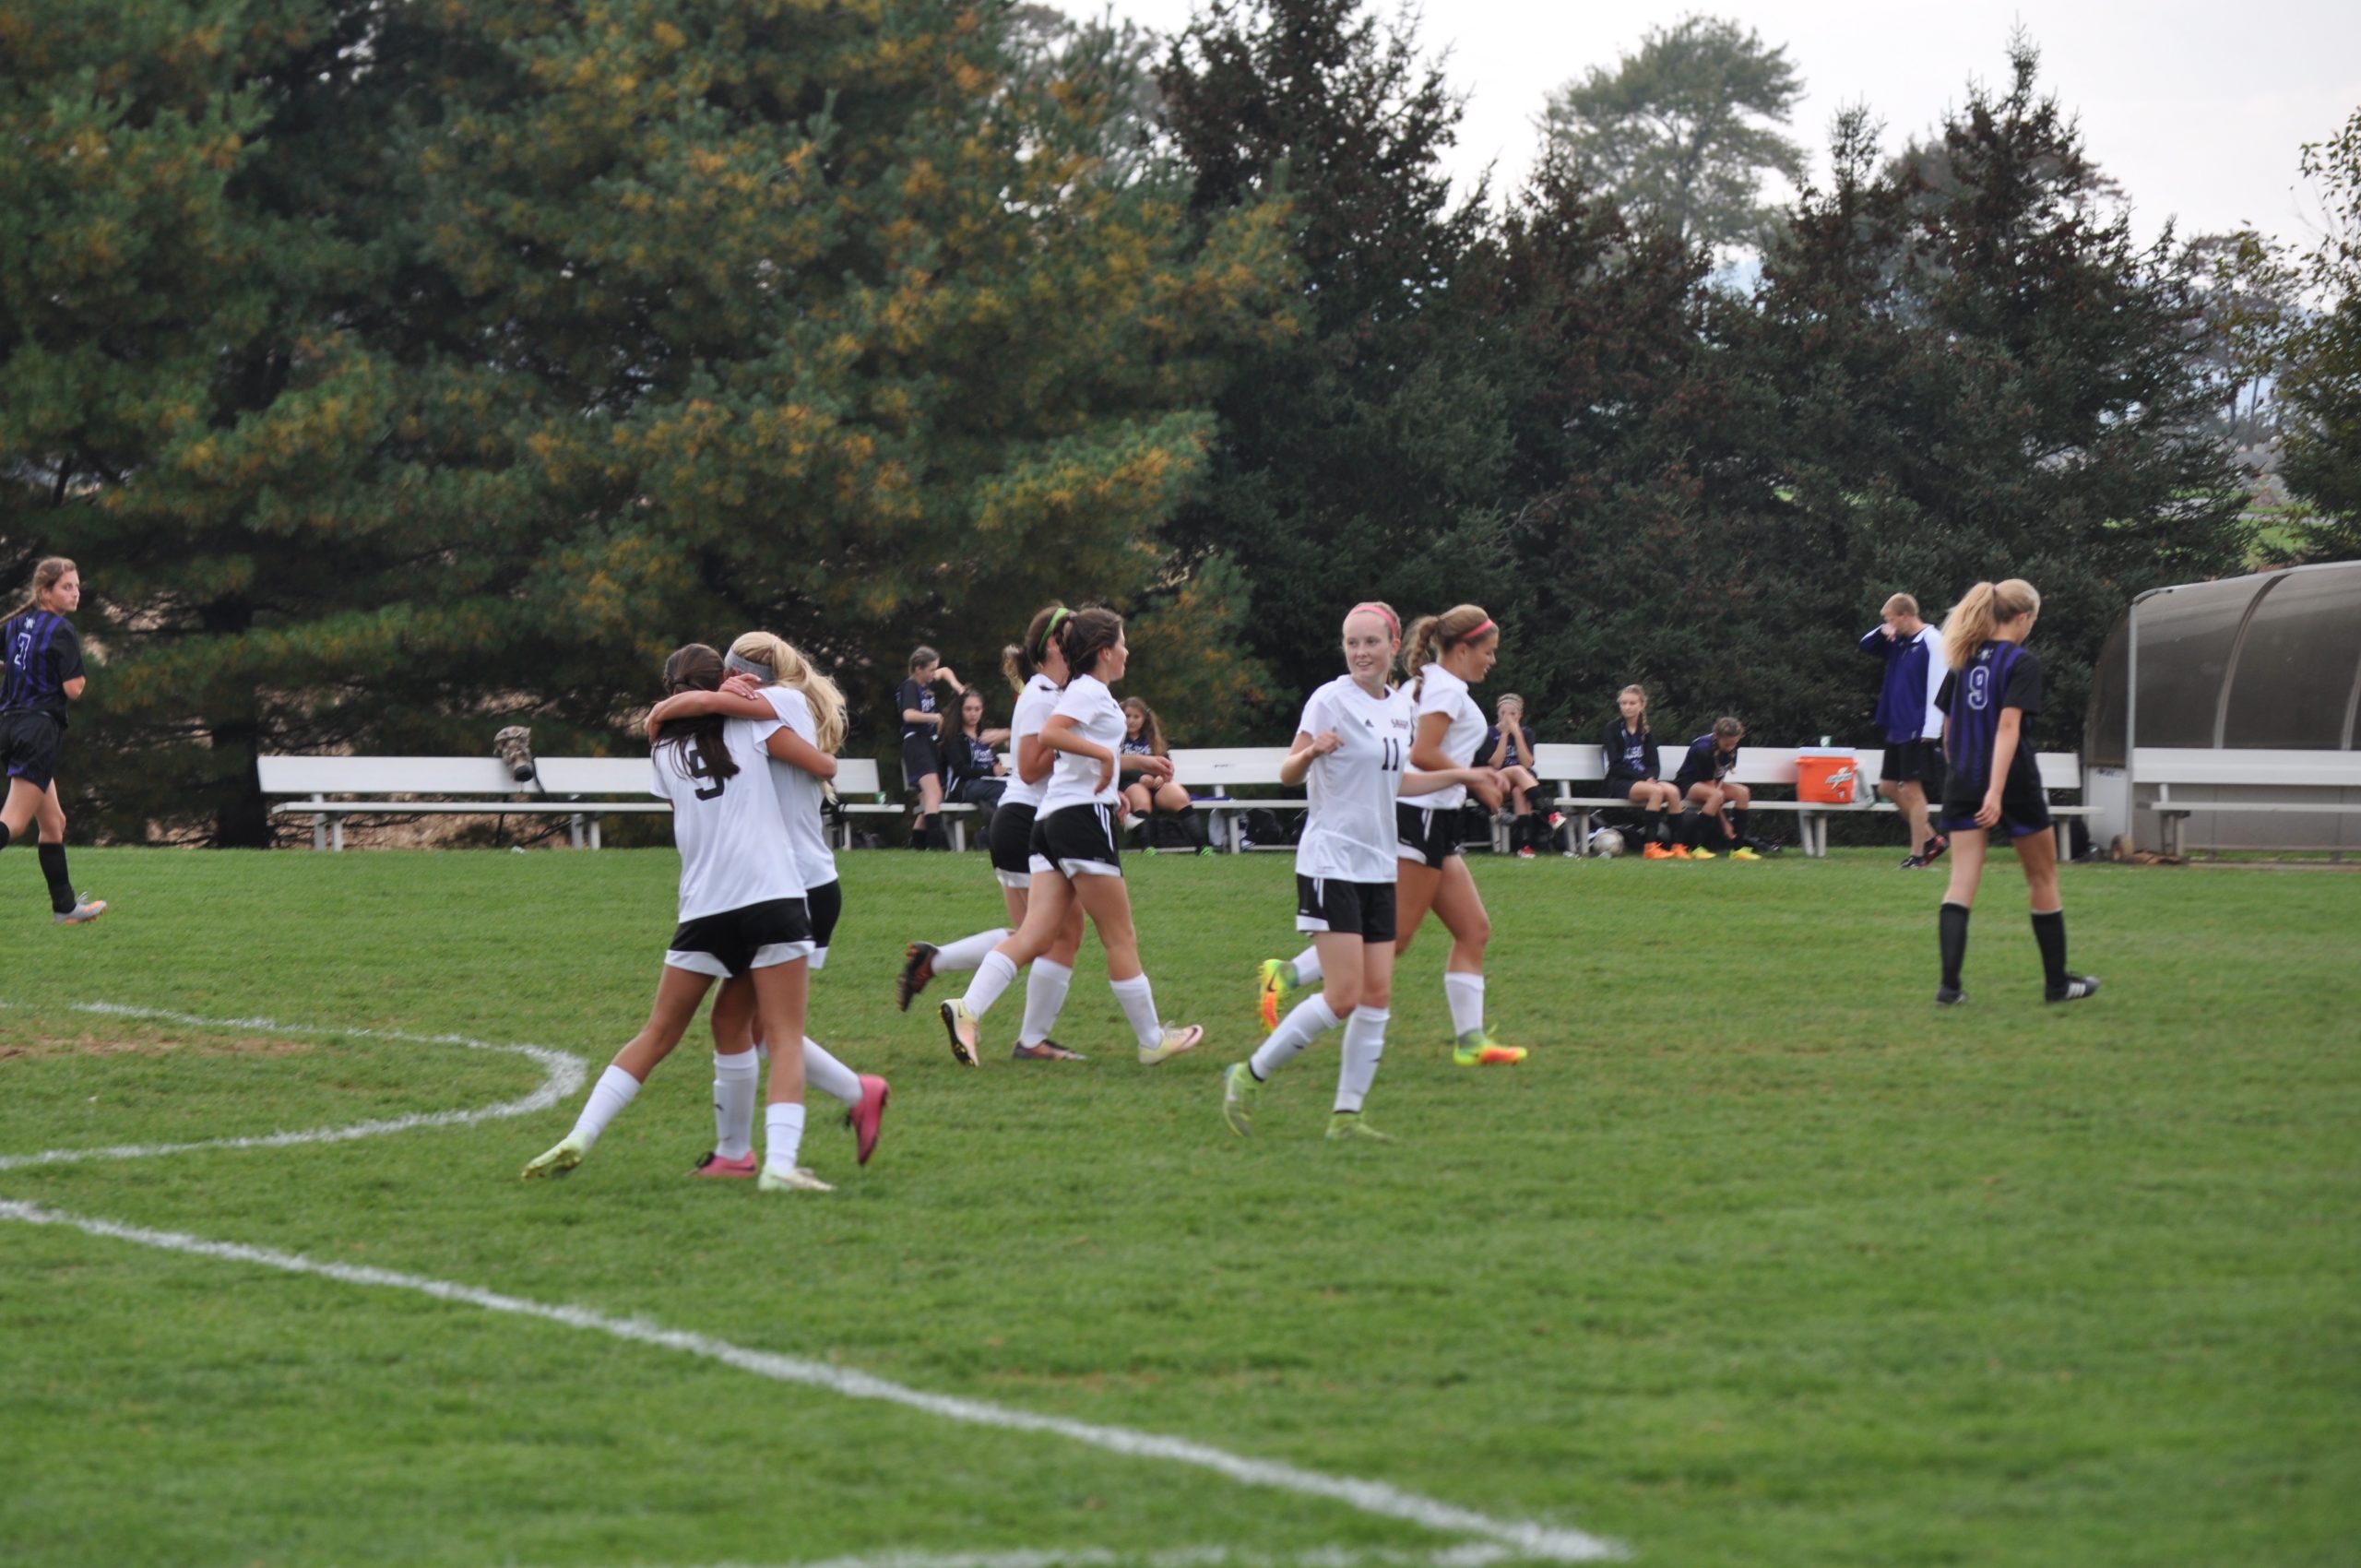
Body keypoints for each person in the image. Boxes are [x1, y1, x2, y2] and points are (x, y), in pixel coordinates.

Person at [523, 645, 829, 1194]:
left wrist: (672, 710)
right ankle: (780, 1166)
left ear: (671, 688)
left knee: (658, 1033)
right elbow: (810, 757)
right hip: (770, 896)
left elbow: (680, 799)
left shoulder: (661, 748)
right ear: (726, 681)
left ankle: (581, 1133)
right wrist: (734, 698)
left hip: (703, 908)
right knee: (784, 1038)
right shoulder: (755, 724)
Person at [1223, 603, 1500, 1141]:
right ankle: (1248, 1073)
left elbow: (1398, 783)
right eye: (1352, 642)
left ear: (1394, 646)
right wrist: (1310, 755)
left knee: (1376, 997)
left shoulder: (1400, 706)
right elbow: (1285, 772)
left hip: (1377, 862)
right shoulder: (1329, 700)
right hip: (1331, 859)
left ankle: (1347, 1117)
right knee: (1345, 995)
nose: (1360, 652)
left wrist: (1467, 775)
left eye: (1371, 642)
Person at [646, 632, 890, 1167]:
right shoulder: (769, 706)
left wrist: (666, 709)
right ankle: (840, 1102)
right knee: (745, 1027)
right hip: (788, 882)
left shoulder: (770, 703)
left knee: (762, 1030)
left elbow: (706, 702)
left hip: (791, 885)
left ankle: (758, 1151)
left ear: (743, 676)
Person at [937, 608, 1203, 1068]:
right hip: (1080, 821)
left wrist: (1126, 766)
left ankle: (968, 1008)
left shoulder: (1078, 691)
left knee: (1038, 934)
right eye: (1121, 643)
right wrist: (1105, 756)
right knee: (1120, 936)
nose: (1127, 651)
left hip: (1051, 822)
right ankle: (1151, 1039)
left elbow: (1072, 745)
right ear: (1104, 652)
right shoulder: (1089, 691)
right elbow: (1054, 735)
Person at [898, 605, 1090, 1062]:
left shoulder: (1047, 692)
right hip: (1026, 822)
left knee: (1034, 933)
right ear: (1053, 646)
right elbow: (1034, 766)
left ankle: (934, 961)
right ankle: (1022, 1035)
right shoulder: (1046, 697)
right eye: (1073, 636)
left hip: (1017, 820)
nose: (1081, 645)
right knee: (1054, 935)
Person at [1932, 579, 2098, 1007]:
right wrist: (1996, 791)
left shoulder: (1962, 657)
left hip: (1963, 781)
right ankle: (2057, 984)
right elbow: (2008, 727)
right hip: (2013, 784)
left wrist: (1965, 777)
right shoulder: (2021, 662)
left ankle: (1949, 989)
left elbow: (1949, 730)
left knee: (1962, 881)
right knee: (2042, 877)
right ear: (2023, 617)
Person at [0, 558, 104, 924]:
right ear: (45, 592)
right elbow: (73, 689)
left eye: (77, 586)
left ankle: (65, 907)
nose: (76, 593)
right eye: (67, 587)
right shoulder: (61, 630)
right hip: (38, 732)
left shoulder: (14, 625)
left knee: (54, 822)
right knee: (12, 823)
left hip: (11, 726)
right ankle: (64, 908)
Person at [1860, 592, 1949, 868]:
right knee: (1888, 786)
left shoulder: (1932, 641)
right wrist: (1882, 630)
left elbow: (1939, 685)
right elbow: (1866, 644)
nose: (1889, 624)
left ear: (1906, 615)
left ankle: (1917, 854)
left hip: (1917, 726)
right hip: (1896, 725)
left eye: (1891, 619)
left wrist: (1931, 729)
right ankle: (1932, 839)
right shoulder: (1897, 640)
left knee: (1913, 790)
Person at [1119, 697, 1212, 854]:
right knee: (1141, 799)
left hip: (1156, 782)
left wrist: (1162, 777)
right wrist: (1140, 778)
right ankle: (1147, 847)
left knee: (1180, 797)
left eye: (1136, 717)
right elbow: (1111, 766)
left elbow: (1166, 764)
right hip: (1130, 783)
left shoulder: (1153, 740)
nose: (1131, 721)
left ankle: (1202, 847)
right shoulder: (1117, 739)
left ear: (1144, 719)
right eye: (1127, 716)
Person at [896, 646, 966, 849]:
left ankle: (917, 845)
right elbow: (908, 715)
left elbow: (945, 672)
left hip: (928, 743)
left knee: (930, 798)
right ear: (918, 669)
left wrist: (956, 685)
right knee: (934, 793)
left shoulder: (927, 683)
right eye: (930, 670)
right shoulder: (910, 686)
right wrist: (935, 717)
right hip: (916, 742)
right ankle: (937, 845)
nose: (934, 674)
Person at [1602, 684, 1682, 859]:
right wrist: (1645, 779)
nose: (1627, 707)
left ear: (1642, 705)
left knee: (1674, 792)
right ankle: (1650, 847)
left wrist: (1650, 777)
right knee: (1656, 791)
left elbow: (1654, 763)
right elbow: (1615, 765)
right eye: (1623, 703)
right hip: (1620, 781)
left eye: (1632, 703)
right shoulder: (1612, 729)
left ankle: (1678, 846)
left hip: (1644, 780)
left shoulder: (1646, 730)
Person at [1672, 717, 1760, 860]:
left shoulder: (1731, 747)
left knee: (1743, 793)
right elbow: (1712, 789)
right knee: (1716, 796)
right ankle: (1697, 847)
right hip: (1688, 784)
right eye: (1727, 744)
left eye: (1734, 743)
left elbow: (1719, 778)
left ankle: (1738, 849)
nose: (1731, 747)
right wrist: (1725, 823)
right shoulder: (1702, 750)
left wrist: (1718, 791)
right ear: (1717, 737)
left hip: (1710, 785)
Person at [1481, 695, 1551, 857]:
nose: (1507, 717)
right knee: (1517, 770)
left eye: (1512, 713)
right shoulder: (1489, 733)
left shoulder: (1526, 733)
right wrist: (1505, 735)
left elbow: (1528, 763)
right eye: (1503, 713)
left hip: (1521, 785)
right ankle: (1549, 813)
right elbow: (1496, 765)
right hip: (1498, 783)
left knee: (1520, 791)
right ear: (1498, 714)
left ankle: (1524, 847)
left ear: (1519, 715)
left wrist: (1517, 735)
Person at [942, 688, 1012, 814]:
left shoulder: (984, 737)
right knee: (1008, 789)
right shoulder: (954, 738)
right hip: (964, 787)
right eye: (968, 709)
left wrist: (1001, 769)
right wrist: (991, 771)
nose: (973, 713)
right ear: (960, 711)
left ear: (982, 710)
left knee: (1013, 790)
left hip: (988, 785)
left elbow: (993, 764)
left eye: (977, 709)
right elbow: (960, 769)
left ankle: (988, 832)